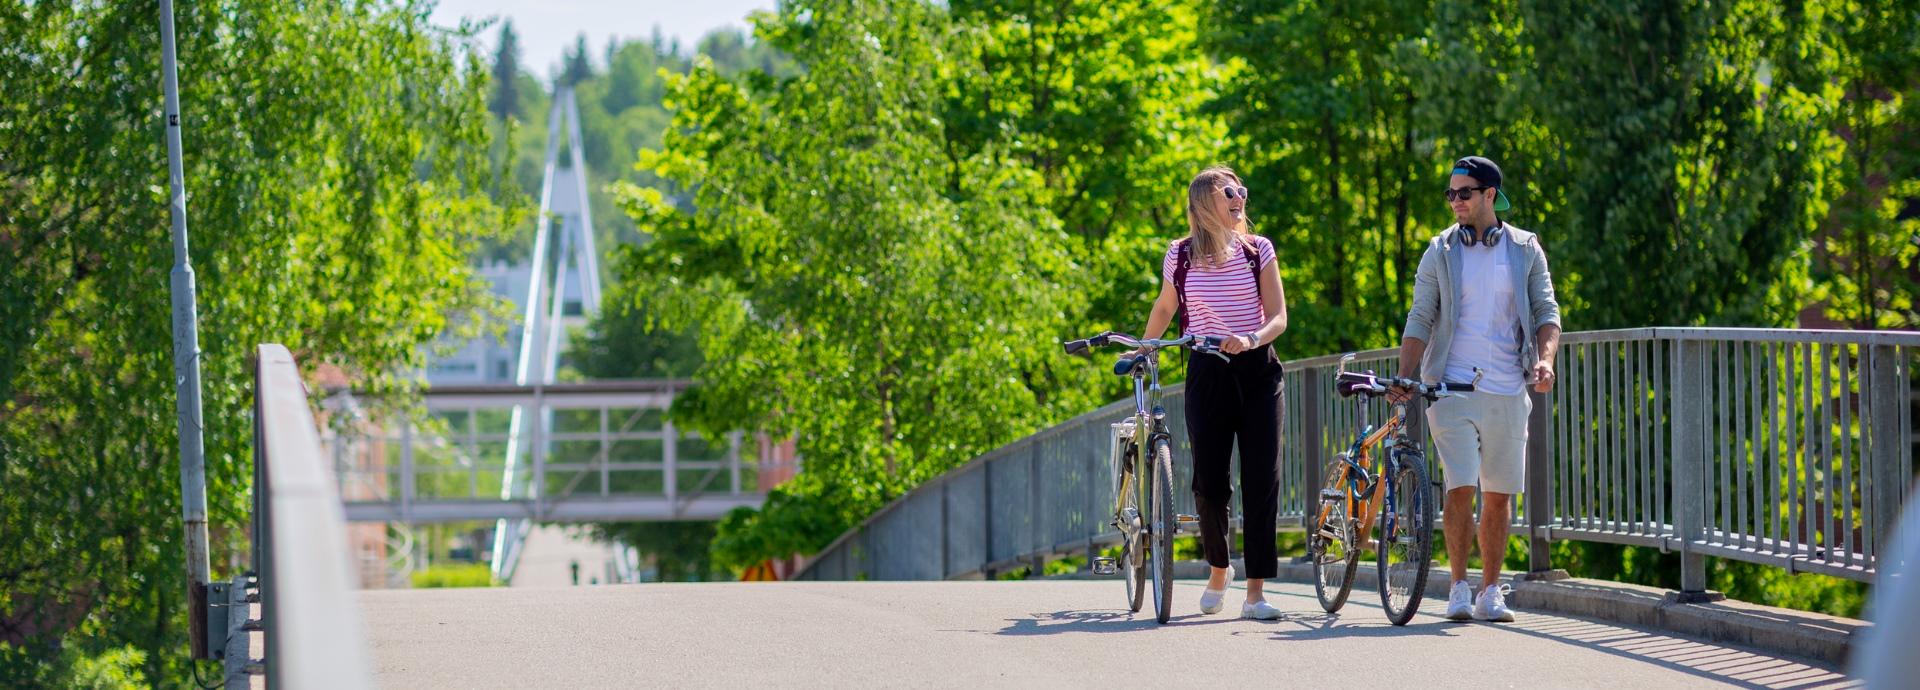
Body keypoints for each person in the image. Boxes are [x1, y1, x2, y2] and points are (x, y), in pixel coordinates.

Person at [1390, 155, 1561, 622]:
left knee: (1500, 493)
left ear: (1490, 195)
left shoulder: (1525, 249)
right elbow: (1420, 316)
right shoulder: (1440, 251)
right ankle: (1459, 587)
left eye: (1464, 193)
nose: (1455, 202)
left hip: (1508, 387)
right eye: (1450, 194)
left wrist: (1544, 363)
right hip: (1450, 385)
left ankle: (1490, 590)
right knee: (1462, 484)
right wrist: (1408, 374)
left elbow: (1547, 312)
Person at [1137, 166, 1290, 619]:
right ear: (1205, 202)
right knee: (1209, 481)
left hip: (1258, 369)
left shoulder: (1257, 250)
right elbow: (1167, 306)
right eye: (1230, 191)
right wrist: (1147, 350)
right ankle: (1219, 568)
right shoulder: (1179, 255)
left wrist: (1251, 338)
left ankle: (1256, 593)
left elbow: (1279, 316)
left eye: (1241, 190)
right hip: (1206, 371)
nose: (1240, 197)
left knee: (1263, 480)